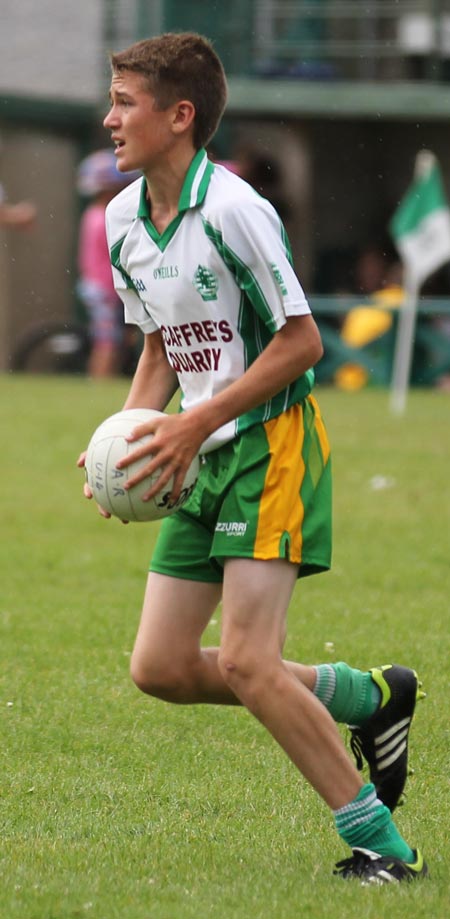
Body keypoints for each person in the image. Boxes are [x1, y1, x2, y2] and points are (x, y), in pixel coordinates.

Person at [78, 33, 427, 883]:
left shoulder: (233, 208)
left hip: (269, 446)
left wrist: (197, 427)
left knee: (244, 659)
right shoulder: (126, 219)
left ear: (180, 115)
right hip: (201, 454)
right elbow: (163, 346)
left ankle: (384, 846)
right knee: (160, 668)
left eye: (126, 101)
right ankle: (368, 695)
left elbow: (303, 342)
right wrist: (121, 446)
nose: (110, 116)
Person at [76, 149, 139, 377]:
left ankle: (106, 379)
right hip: (104, 289)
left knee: (111, 338)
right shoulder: (105, 217)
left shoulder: (91, 213)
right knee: (107, 341)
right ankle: (101, 381)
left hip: (94, 286)